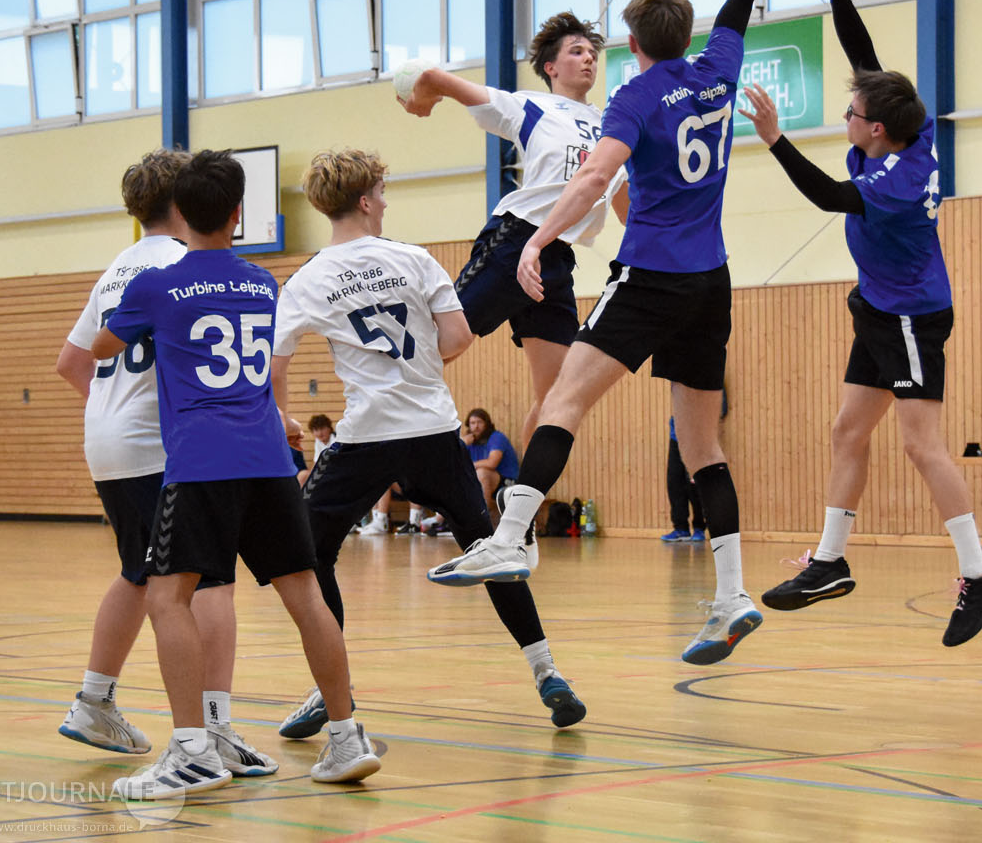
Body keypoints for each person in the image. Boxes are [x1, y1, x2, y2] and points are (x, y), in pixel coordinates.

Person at [426, 0, 811, 668]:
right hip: (712, 280)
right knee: (702, 445)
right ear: (689, 37)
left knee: (563, 400)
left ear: (631, 45)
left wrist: (538, 239)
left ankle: (509, 535)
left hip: (651, 277)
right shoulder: (719, 72)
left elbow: (594, 178)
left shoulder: (633, 99)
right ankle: (731, 594)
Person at [740, 0, 982, 647]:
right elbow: (867, 64)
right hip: (879, 309)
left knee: (922, 445)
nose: (846, 117)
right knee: (847, 431)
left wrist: (775, 139)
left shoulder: (896, 181)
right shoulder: (906, 132)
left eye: (853, 115)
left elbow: (829, 196)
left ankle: (978, 572)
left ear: (876, 130)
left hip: (914, 318)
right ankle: (829, 561)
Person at [93, 149, 380, 799]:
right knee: (306, 597)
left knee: (166, 598)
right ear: (238, 214)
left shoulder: (155, 286)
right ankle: (346, 736)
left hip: (201, 464)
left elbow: (104, 344)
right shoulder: (260, 282)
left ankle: (192, 751)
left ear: (173, 212)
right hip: (269, 462)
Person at [269, 149, 586, 731]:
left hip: (365, 436)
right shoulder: (414, 259)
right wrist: (414, 365)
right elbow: (459, 338)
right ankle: (547, 672)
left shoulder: (307, 279)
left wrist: (283, 417)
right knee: (489, 549)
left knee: (309, 557)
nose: (385, 202)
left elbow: (277, 361)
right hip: (434, 431)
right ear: (365, 201)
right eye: (381, 193)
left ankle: (331, 689)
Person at [54, 148, 274, 779]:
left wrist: (115, 411)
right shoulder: (189, 266)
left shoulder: (117, 269)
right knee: (210, 583)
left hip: (108, 443)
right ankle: (213, 730)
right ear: (187, 202)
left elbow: (72, 363)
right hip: (167, 446)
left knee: (139, 573)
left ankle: (94, 700)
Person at [402, 13, 628, 445]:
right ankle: (380, 426)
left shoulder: (611, 126)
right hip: (516, 240)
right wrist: (424, 90)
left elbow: (624, 206)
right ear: (551, 67)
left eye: (592, 53)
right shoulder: (532, 107)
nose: (588, 59)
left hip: (556, 259)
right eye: (576, 51)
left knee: (557, 398)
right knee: (446, 343)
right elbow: (444, 82)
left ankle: (525, 486)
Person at [461, 407, 519, 510]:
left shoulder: (496, 437)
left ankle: (483, 515)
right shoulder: (469, 442)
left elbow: (492, 463)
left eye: (479, 422)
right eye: (473, 423)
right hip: (482, 483)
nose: (476, 426)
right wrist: (461, 444)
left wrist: (471, 465)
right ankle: (439, 518)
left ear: (486, 424)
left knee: (481, 472)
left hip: (507, 483)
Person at [660, 416, 706, 543]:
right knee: (675, 483)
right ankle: (681, 529)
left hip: (695, 439)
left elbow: (720, 410)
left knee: (694, 484)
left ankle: (699, 528)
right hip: (676, 439)